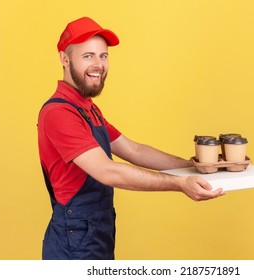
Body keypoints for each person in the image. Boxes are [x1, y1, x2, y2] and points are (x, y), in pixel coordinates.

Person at [37, 16, 224, 260]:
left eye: (103, 56)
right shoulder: (59, 113)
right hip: (74, 242)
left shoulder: (88, 109)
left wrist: (195, 167)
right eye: (88, 56)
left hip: (95, 235)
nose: (98, 64)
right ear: (64, 58)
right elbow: (108, 172)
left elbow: (133, 150)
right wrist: (179, 183)